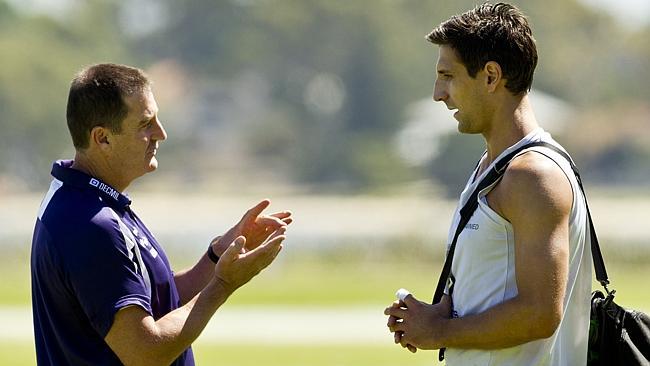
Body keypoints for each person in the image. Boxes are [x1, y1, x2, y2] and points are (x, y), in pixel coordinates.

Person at [31, 63, 293, 366]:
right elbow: (145, 353)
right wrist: (223, 285)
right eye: (146, 124)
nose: (161, 134)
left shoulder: (88, 201)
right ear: (102, 138)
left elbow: (156, 303)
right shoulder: (89, 224)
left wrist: (216, 258)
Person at [384, 3, 592, 365]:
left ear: (491, 76)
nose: (438, 93)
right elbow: (492, 291)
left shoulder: (532, 175)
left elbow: (541, 313)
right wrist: (440, 314)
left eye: (448, 76)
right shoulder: (493, 167)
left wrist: (440, 333)